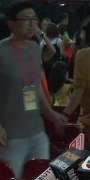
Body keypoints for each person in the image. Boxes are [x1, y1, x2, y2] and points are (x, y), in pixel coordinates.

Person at [0, 1, 66, 178]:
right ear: (11, 23)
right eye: (25, 19)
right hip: (11, 136)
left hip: (37, 132)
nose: (32, 24)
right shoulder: (1, 51)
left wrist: (52, 115)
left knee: (41, 175)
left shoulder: (34, 49)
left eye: (34, 19)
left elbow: (35, 87)